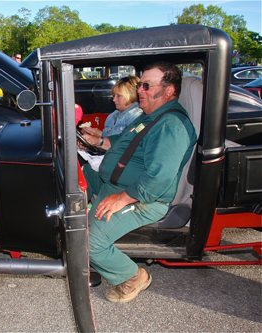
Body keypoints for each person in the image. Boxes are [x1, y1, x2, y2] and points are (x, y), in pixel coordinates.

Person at [79, 61, 197, 303]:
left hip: (143, 197)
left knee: (87, 240)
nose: (140, 90)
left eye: (146, 85)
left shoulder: (170, 127)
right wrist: (97, 141)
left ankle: (132, 277)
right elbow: (122, 143)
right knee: (76, 175)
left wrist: (121, 198)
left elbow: (158, 180)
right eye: (140, 84)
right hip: (114, 182)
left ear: (168, 91)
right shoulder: (150, 116)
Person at [78, 76, 142, 171]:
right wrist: (96, 134)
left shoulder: (136, 116)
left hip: (118, 159)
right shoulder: (113, 115)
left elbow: (124, 143)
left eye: (118, 96)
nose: (114, 100)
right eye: (113, 96)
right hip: (105, 153)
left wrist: (97, 139)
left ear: (131, 94)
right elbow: (109, 137)